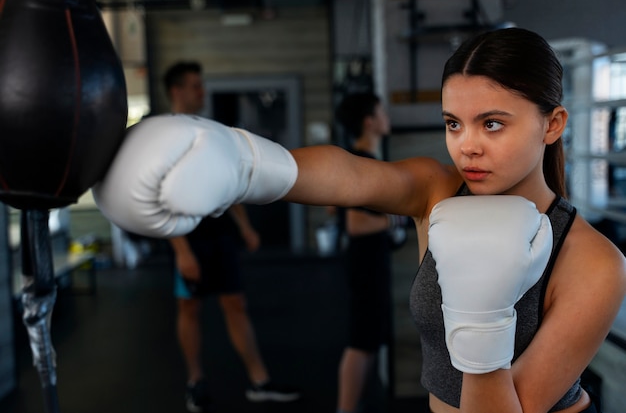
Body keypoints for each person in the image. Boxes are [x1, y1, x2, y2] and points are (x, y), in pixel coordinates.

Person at [95, 28, 626, 413]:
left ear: (552, 124)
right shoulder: (438, 190)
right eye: (453, 123)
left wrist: (482, 316)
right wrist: (245, 164)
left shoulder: (594, 262)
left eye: (492, 124)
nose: (467, 146)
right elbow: (350, 175)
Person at [163, 61, 301, 412]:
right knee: (189, 307)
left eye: (201, 85)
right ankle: (195, 381)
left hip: (220, 234)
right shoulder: (164, 135)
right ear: (176, 91)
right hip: (187, 237)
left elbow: (228, 181)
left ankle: (260, 381)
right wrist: (181, 251)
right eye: (195, 86)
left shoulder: (209, 130)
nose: (202, 91)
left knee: (235, 304)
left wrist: (246, 226)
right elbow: (160, 198)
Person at [333, 92, 397, 413]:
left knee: (369, 342)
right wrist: (397, 219)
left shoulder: (366, 160)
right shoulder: (362, 163)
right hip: (365, 262)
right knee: (362, 342)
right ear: (369, 122)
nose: (387, 116)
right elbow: (356, 224)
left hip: (372, 260)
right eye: (381, 111)